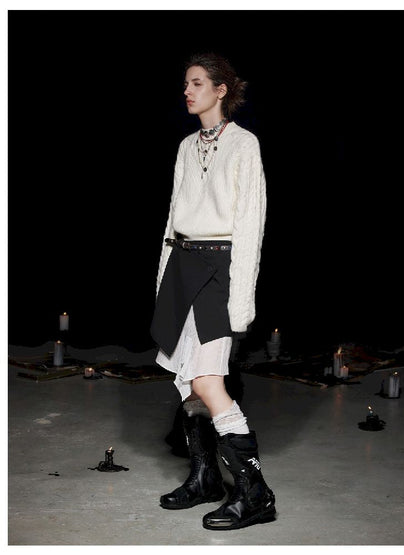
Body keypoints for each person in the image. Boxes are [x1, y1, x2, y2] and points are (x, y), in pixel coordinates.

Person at [150, 52, 275, 530]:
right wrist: (163, 280)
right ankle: (204, 478)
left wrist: (240, 299)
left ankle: (255, 494)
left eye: (197, 83)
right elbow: (173, 217)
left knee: (207, 381)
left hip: (218, 269)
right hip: (181, 265)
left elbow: (250, 225)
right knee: (185, 381)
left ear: (221, 90)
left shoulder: (244, 144)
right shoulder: (187, 145)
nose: (187, 91)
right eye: (186, 83)